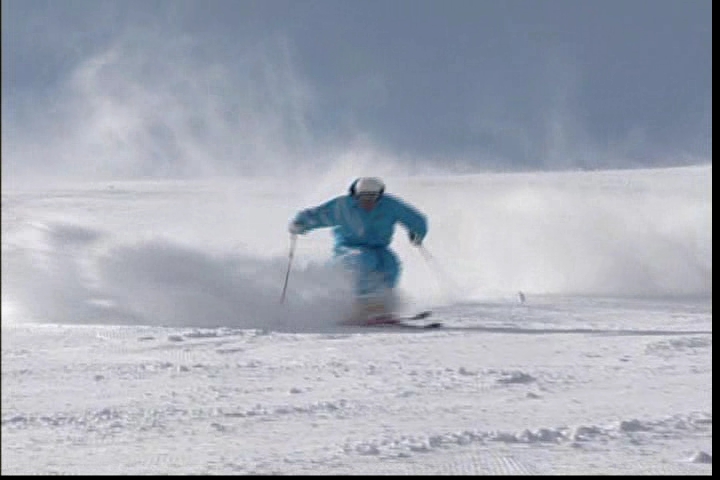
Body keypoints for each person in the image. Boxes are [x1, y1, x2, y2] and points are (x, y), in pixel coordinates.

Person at [288, 177, 428, 319]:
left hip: (379, 247)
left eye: (372, 197)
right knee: (363, 261)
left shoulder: (389, 205)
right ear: (356, 195)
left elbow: (414, 218)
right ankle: (361, 305)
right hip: (349, 248)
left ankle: (381, 305)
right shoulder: (343, 206)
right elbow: (318, 214)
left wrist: (417, 232)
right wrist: (300, 223)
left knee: (390, 265)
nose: (367, 202)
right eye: (363, 197)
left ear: (379, 195)